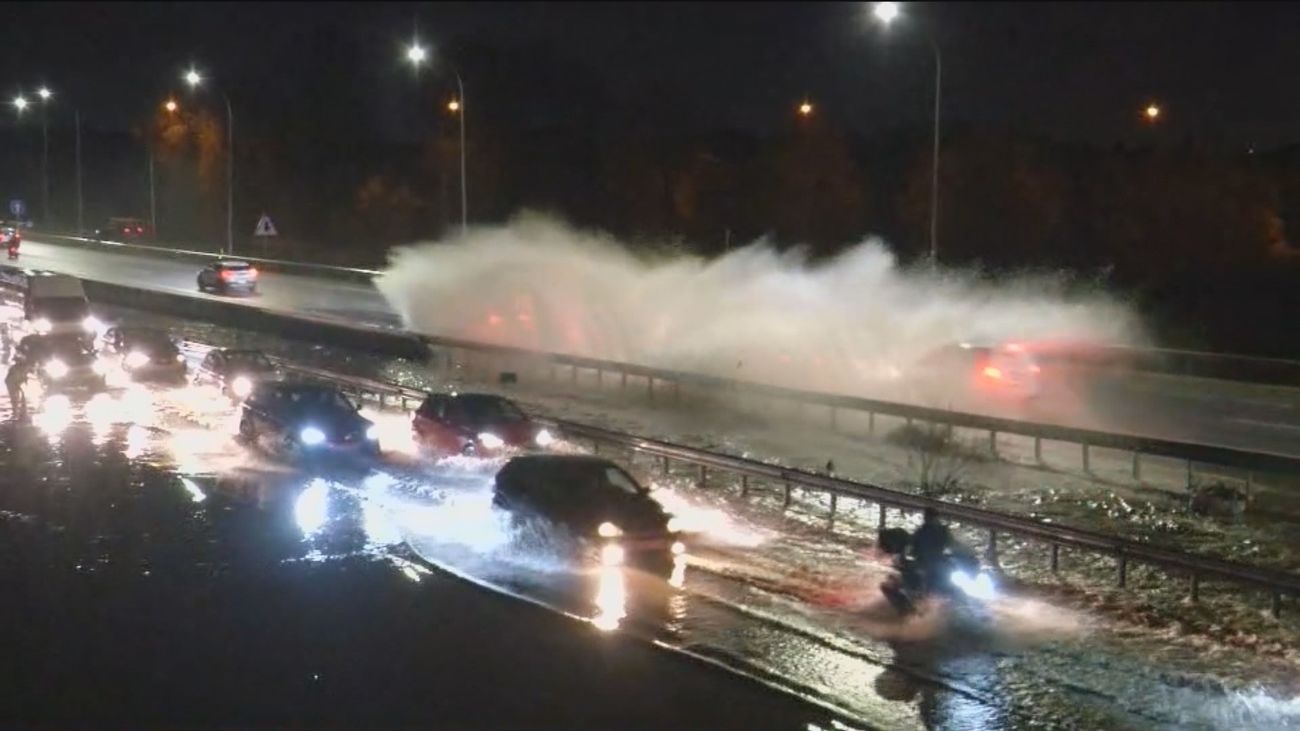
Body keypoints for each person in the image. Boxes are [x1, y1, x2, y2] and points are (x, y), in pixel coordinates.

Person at [909, 508, 955, 593]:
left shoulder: (940, 531)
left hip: (933, 563)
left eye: (929, 517)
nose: (929, 519)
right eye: (928, 517)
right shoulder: (923, 532)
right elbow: (912, 547)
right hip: (929, 563)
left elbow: (952, 545)